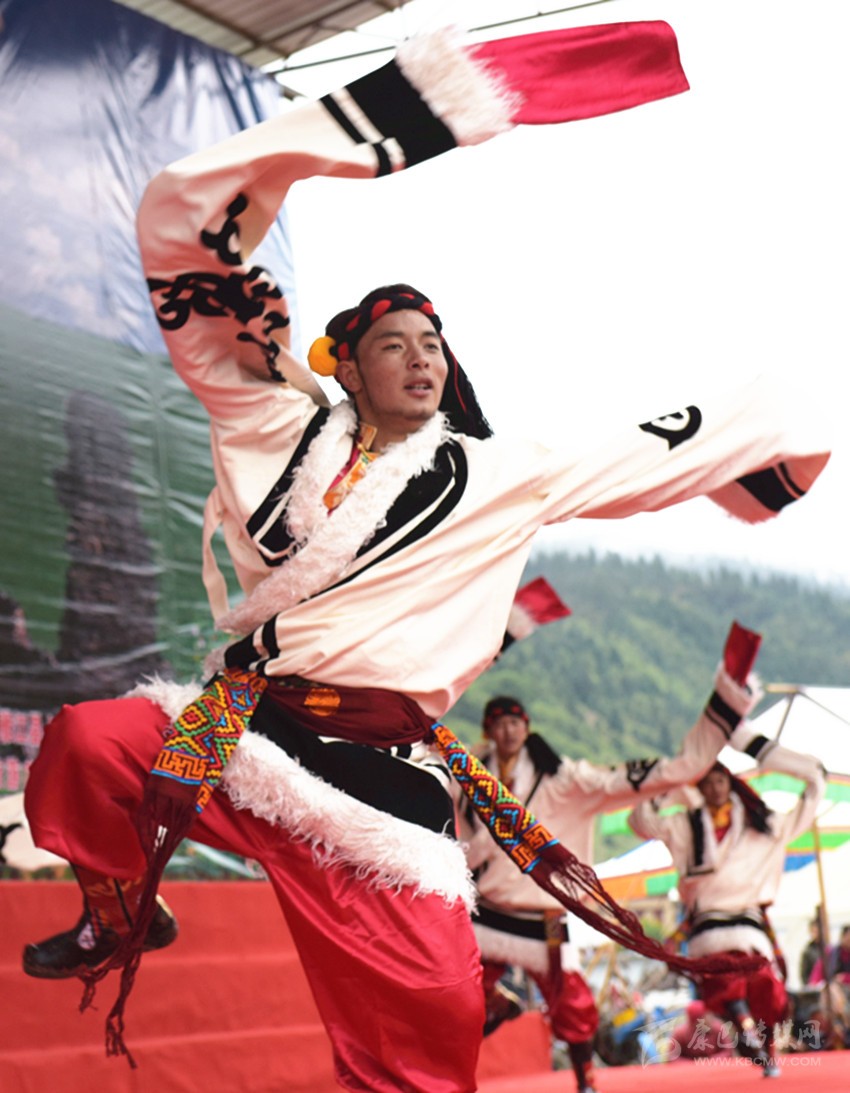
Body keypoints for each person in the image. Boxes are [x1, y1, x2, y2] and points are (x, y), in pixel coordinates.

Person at [22, 21, 829, 1092]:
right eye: (392, 345)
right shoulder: (271, 423)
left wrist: (780, 435)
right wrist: (406, 113)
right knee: (88, 743)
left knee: (431, 1039)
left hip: (378, 780)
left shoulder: (502, 471)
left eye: (433, 347)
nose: (419, 360)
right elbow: (185, 239)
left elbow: (653, 449)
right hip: (243, 727)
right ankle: (124, 904)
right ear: (347, 367)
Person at [461, 662, 761, 1093]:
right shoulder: (470, 776)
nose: (507, 731)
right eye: (499, 724)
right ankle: (494, 1009)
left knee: (572, 1003)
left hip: (541, 914)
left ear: (526, 728)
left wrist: (690, 755)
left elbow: (627, 780)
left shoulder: (564, 779)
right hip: (487, 908)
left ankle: (585, 1080)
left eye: (514, 723)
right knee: (459, 986)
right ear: (488, 731)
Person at [629, 736, 826, 1078]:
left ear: (731, 783)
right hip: (707, 926)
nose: (714, 788)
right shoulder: (685, 825)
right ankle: (744, 1030)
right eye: (706, 783)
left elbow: (812, 794)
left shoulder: (762, 823)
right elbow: (640, 821)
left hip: (750, 926)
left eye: (720, 780)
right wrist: (676, 780)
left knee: (766, 986)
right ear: (698, 788)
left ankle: (764, 1047)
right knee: (724, 982)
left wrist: (760, 748)